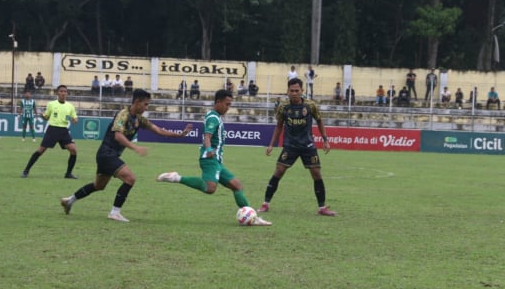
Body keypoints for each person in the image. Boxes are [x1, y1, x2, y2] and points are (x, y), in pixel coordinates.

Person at [60, 89, 193, 222]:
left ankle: (69, 201)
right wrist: (135, 147)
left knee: (98, 186)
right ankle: (114, 213)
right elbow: (118, 136)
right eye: (145, 104)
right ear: (137, 102)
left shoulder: (139, 119)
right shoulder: (123, 115)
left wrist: (180, 134)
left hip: (108, 155)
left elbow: (158, 130)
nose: (147, 107)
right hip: (107, 153)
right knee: (130, 179)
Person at [156, 89, 272, 226]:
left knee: (237, 186)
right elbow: (207, 135)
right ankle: (176, 177)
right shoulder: (213, 117)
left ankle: (253, 218)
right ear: (218, 102)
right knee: (210, 188)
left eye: (230, 105)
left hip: (216, 161)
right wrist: (209, 148)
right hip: (209, 160)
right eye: (226, 104)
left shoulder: (216, 116)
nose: (228, 108)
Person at [258, 78, 335, 216]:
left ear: (302, 91)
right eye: (291, 91)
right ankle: (265, 204)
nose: (294, 93)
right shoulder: (283, 107)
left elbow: (320, 121)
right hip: (290, 146)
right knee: (279, 171)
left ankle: (322, 208)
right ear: (287, 91)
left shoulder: (310, 106)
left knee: (316, 174)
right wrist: (271, 144)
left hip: (308, 145)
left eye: (297, 90)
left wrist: (325, 140)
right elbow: (279, 126)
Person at [21, 85, 78, 179]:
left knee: (73, 150)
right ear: (57, 93)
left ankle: (68, 173)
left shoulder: (70, 106)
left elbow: (75, 117)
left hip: (64, 131)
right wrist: (42, 116)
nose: (63, 93)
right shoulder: (51, 104)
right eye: (61, 91)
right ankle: (26, 170)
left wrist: (75, 120)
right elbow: (46, 117)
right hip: (52, 129)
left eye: (65, 91)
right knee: (41, 150)